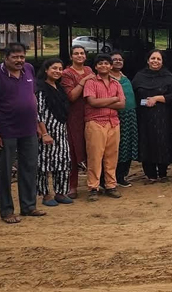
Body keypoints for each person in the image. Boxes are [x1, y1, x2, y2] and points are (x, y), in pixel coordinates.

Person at [0, 42, 45, 224]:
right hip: (6, 130)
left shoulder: (28, 69)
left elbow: (32, 96)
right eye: (15, 57)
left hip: (28, 128)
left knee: (29, 167)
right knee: (5, 171)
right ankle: (7, 210)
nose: (20, 60)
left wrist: (36, 123)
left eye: (22, 57)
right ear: (6, 58)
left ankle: (28, 206)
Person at [83, 54, 125, 201]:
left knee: (111, 156)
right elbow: (92, 102)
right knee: (95, 156)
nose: (103, 66)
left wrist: (104, 102)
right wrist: (113, 99)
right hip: (95, 122)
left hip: (113, 122)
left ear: (111, 66)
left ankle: (110, 185)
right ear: (95, 67)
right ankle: (93, 187)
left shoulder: (116, 83)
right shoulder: (91, 82)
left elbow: (122, 104)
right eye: (100, 63)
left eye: (106, 63)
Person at [133, 50, 172, 182]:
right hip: (144, 116)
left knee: (163, 141)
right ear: (148, 60)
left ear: (162, 62)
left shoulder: (168, 77)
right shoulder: (139, 76)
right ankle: (150, 174)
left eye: (158, 59)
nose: (155, 61)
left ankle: (163, 173)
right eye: (153, 58)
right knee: (147, 142)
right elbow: (134, 95)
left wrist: (157, 98)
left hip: (164, 116)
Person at [35, 58, 73, 206]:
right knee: (44, 163)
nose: (57, 71)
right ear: (46, 70)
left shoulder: (59, 87)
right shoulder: (40, 89)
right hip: (46, 132)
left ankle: (61, 192)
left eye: (60, 69)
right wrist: (44, 133)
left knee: (63, 161)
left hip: (61, 131)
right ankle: (45, 195)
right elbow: (39, 113)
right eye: (54, 68)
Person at [59, 45, 95, 199]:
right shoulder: (67, 74)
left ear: (86, 56)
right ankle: (72, 186)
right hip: (74, 116)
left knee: (92, 149)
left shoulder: (89, 69)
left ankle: (94, 183)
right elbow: (71, 97)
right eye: (76, 54)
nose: (79, 56)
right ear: (71, 56)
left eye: (82, 53)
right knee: (73, 151)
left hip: (91, 113)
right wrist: (84, 81)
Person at [110, 51, 138, 187]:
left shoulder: (125, 77)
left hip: (130, 115)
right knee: (117, 146)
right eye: (114, 59)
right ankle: (113, 176)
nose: (118, 61)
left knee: (128, 145)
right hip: (116, 116)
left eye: (120, 59)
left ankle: (123, 175)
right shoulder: (107, 79)